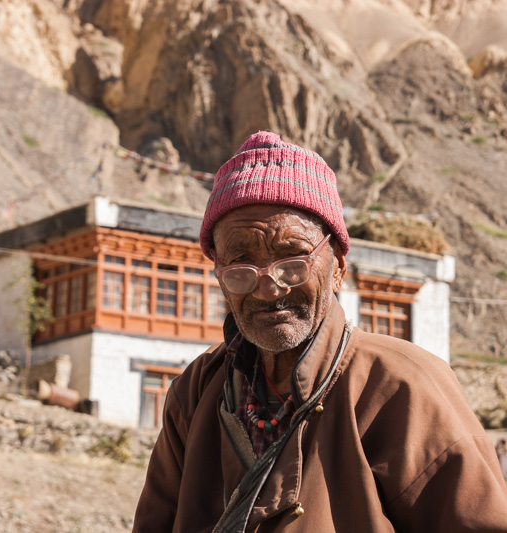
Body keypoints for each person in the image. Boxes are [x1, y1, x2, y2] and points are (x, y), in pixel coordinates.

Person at [132, 131, 507, 532]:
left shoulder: (404, 385)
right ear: (220, 277)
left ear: (338, 267)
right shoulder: (196, 390)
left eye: (293, 260)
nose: (269, 287)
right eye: (241, 264)